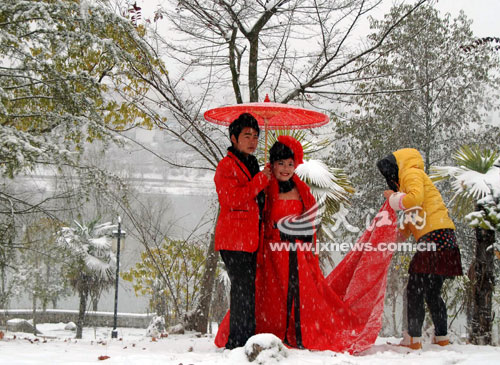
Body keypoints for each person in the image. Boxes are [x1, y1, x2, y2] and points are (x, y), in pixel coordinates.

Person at [215, 136, 399, 354]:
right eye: (280, 163)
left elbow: (309, 221)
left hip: (297, 255)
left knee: (302, 299)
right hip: (271, 255)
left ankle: (298, 332)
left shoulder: (301, 189)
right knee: (270, 299)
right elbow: (254, 215)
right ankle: (266, 333)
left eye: (290, 164)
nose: (285, 169)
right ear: (272, 164)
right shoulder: (264, 186)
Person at [377, 148, 463, 350]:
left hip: (434, 237)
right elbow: (408, 224)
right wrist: (387, 244)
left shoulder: (411, 173)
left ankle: (413, 339)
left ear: (396, 166)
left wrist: (392, 198)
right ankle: (442, 338)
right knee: (433, 292)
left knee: (415, 289)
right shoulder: (414, 176)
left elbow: (414, 199)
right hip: (445, 238)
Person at [214, 113, 271, 349]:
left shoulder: (250, 163)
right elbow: (232, 199)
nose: (253, 141)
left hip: (249, 238)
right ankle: (237, 342)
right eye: (247, 135)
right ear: (233, 138)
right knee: (241, 292)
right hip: (233, 239)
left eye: (256, 136)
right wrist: (260, 181)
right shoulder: (226, 165)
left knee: (247, 291)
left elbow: (255, 198)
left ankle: (246, 338)